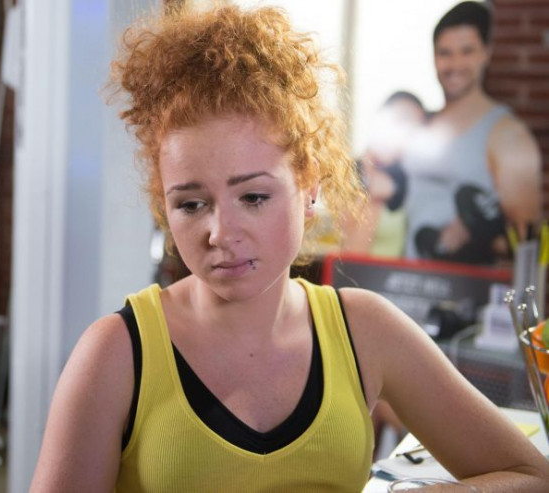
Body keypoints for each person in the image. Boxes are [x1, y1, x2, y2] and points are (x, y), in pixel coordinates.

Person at [30, 5, 549, 492]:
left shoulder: (366, 330)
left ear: (309, 187)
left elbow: (530, 475)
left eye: (253, 197)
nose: (220, 233)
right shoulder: (116, 354)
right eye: (191, 204)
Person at [403, 1, 542, 264]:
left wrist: (475, 234)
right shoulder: (422, 124)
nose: (455, 64)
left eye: (467, 51)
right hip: (406, 281)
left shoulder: (508, 135)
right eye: (445, 53)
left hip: (468, 287)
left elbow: (527, 244)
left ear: (486, 53)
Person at [344, 91, 426, 257]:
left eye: (414, 127)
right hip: (359, 271)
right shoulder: (353, 172)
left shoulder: (403, 176)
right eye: (401, 119)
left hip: (391, 272)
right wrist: (371, 193)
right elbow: (353, 254)